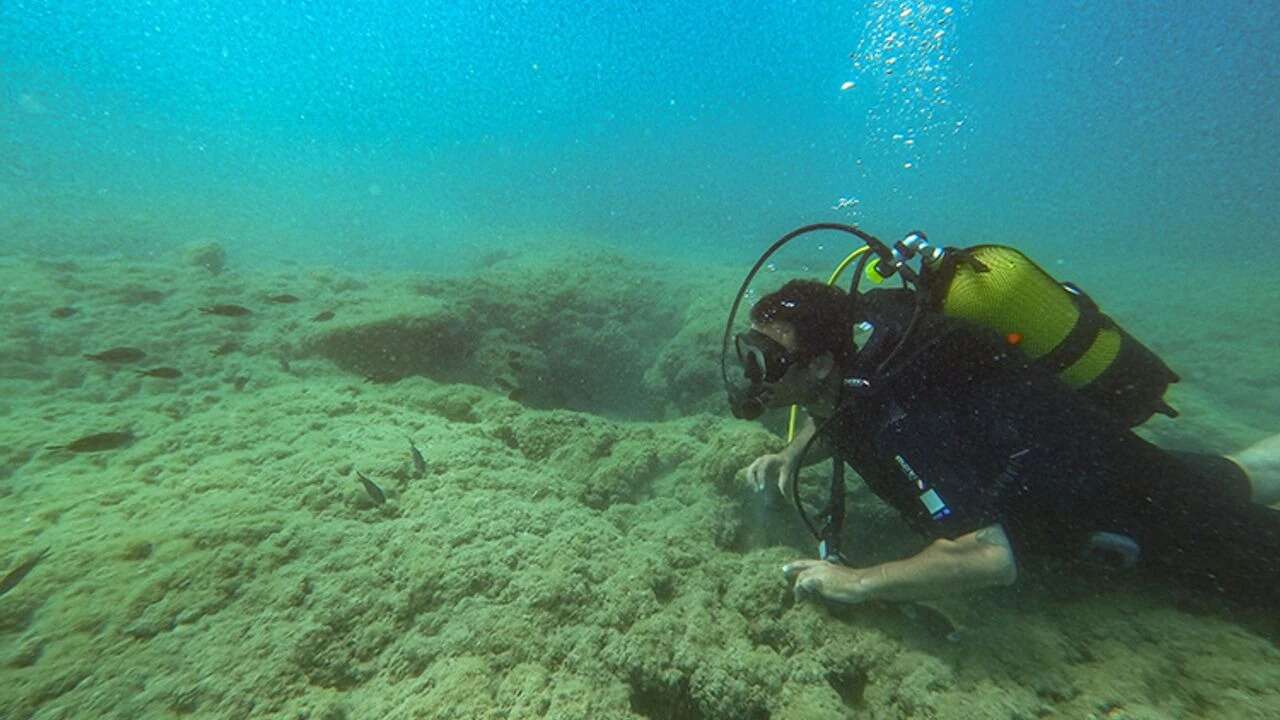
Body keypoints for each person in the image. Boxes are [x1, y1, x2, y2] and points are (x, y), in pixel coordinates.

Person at [735, 278, 1280, 608]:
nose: (752, 370)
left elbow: (989, 557)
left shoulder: (901, 416)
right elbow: (837, 407)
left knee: (1251, 555)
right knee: (1238, 475)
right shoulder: (865, 355)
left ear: (824, 362)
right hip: (1098, 458)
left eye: (768, 359)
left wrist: (855, 583)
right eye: (750, 348)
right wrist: (795, 452)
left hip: (1123, 507)